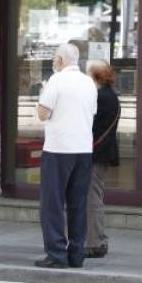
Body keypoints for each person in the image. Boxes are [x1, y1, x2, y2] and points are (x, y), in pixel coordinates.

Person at [35, 43, 98, 269]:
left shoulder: (56, 80)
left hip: (58, 148)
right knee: (78, 203)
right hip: (83, 148)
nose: (53, 61)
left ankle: (56, 254)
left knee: (52, 204)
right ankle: (76, 253)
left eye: (54, 57)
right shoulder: (89, 82)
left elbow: (43, 114)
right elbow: (92, 112)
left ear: (61, 60)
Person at [85, 60, 119, 259]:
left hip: (96, 154)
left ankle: (96, 242)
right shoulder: (107, 95)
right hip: (99, 153)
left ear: (95, 76)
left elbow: (93, 126)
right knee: (93, 197)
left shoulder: (102, 97)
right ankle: (95, 239)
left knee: (92, 199)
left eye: (87, 72)